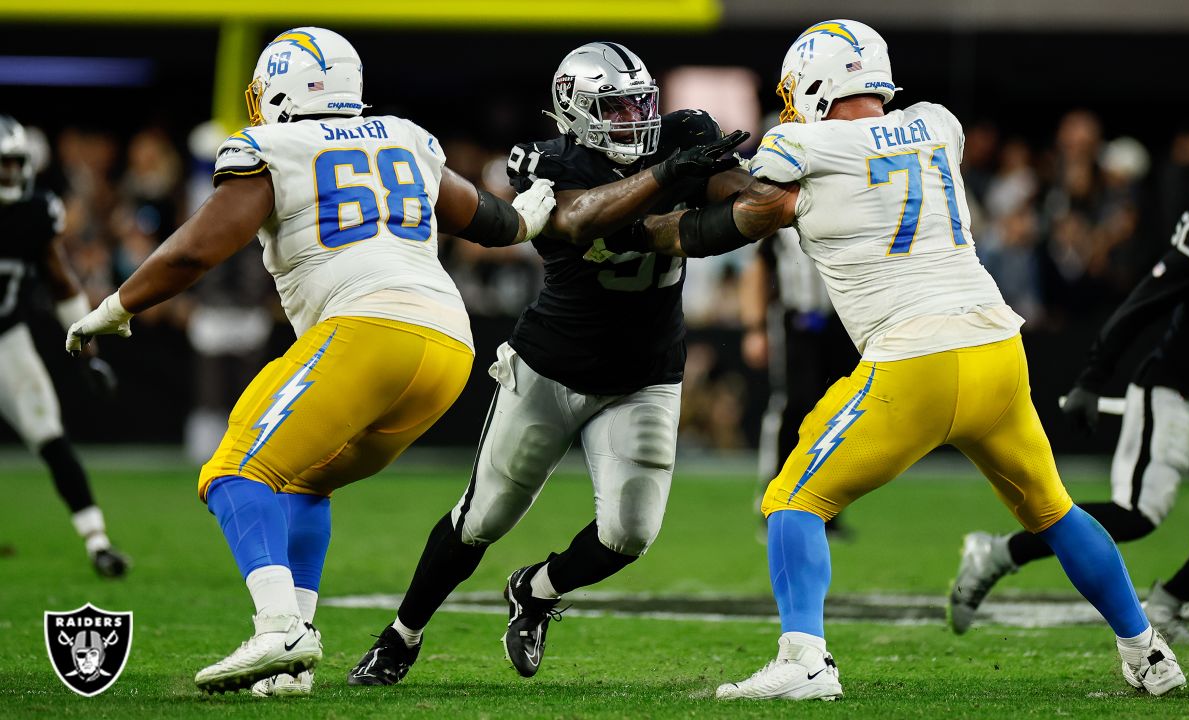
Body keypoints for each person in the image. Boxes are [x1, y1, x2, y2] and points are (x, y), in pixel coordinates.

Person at [624, 19, 1186, 701]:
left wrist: (663, 196)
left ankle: (804, 659)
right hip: (996, 349)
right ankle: (1147, 651)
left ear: (817, 81)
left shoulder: (799, 142)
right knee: (1054, 510)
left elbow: (753, 200)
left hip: (914, 358)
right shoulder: (938, 124)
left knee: (792, 499)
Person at [65, 27, 556, 696]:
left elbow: (194, 251)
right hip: (448, 346)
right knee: (301, 483)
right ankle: (294, 656)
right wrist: (528, 219)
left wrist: (117, 304)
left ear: (289, 89)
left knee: (235, 469)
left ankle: (278, 629)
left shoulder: (275, 146)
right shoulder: (404, 137)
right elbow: (486, 220)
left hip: (369, 327)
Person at [347, 41, 747, 685]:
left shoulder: (682, 137)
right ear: (575, 110)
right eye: (615, 108)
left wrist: (767, 189)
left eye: (640, 104)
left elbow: (741, 204)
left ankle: (534, 591)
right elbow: (577, 219)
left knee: (628, 535)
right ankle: (401, 635)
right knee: (482, 518)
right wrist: (670, 176)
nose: (634, 120)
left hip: (645, 374)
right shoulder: (547, 160)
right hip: (550, 369)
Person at [950, 126, 1189, 644]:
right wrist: (1093, 377)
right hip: (1176, 390)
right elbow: (1143, 303)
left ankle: (1167, 605)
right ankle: (996, 552)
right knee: (1136, 515)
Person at [0, 115, 128, 578]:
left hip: (5, 337)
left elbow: (59, 282)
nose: (9, 175)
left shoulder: (34, 212)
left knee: (47, 432)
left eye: (14, 165)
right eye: (2, 165)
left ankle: (98, 542)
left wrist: (89, 351)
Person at [741, 227, 859, 540]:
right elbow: (759, 266)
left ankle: (827, 509)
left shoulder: (846, 207)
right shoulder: (783, 214)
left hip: (841, 324)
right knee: (793, 406)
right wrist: (755, 326)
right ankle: (773, 501)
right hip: (795, 323)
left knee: (839, 413)